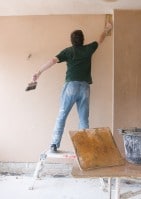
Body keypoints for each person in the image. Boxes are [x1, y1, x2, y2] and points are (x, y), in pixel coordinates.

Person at [32, 22, 112, 152]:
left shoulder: (68, 51)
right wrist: (107, 28)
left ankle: (54, 144)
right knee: (84, 119)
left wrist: (39, 72)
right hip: (85, 87)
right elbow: (100, 39)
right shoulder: (88, 49)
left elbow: (52, 61)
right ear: (83, 40)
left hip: (71, 86)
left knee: (62, 114)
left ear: (71, 40)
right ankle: (85, 146)